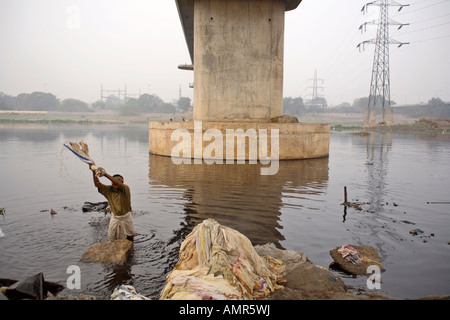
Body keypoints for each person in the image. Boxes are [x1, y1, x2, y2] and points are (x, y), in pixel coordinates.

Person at [89, 165, 134, 242]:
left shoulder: (125, 188)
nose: (116, 183)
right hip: (115, 217)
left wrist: (105, 174)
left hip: (126, 216)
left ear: (122, 181)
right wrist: (94, 172)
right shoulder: (109, 190)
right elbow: (97, 184)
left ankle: (130, 248)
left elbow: (119, 184)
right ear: (111, 183)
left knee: (130, 235)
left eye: (118, 180)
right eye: (113, 181)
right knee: (112, 237)